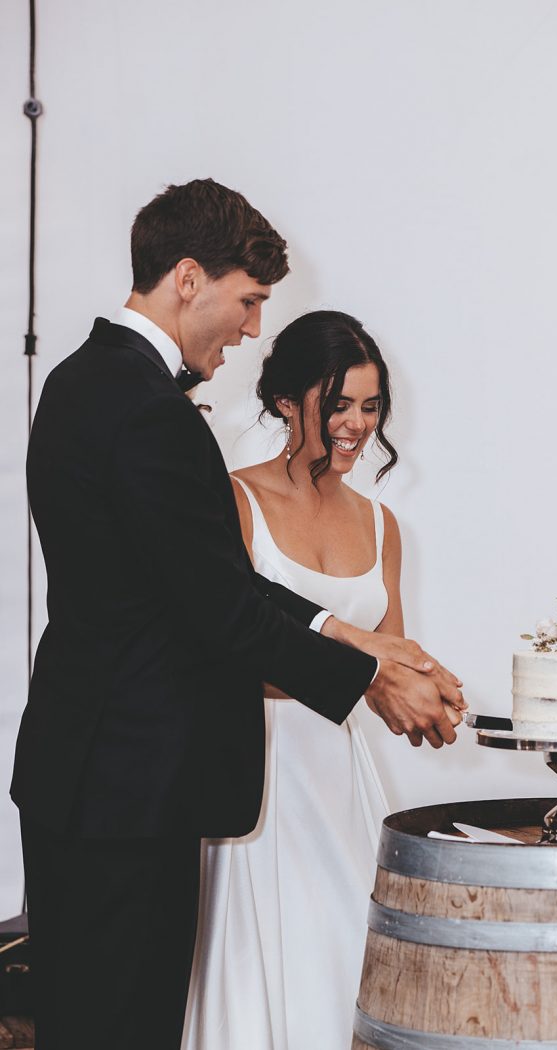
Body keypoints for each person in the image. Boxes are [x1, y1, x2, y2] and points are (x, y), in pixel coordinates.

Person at [10, 179, 465, 1050]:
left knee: (86, 1022)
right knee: (125, 1028)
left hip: (85, 771)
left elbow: (198, 581)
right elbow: (221, 611)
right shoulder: (149, 410)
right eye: (249, 300)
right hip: (133, 791)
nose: (254, 327)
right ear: (189, 278)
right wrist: (370, 679)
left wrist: (353, 633)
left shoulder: (81, 381)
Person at [182, 310, 458, 1050]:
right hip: (258, 779)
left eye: (371, 407)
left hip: (342, 781)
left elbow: (386, 653)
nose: (357, 425)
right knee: (266, 972)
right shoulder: (234, 501)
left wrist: (429, 686)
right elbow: (228, 649)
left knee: (355, 963)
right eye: (338, 403)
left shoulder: (380, 523)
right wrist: (369, 676)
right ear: (284, 401)